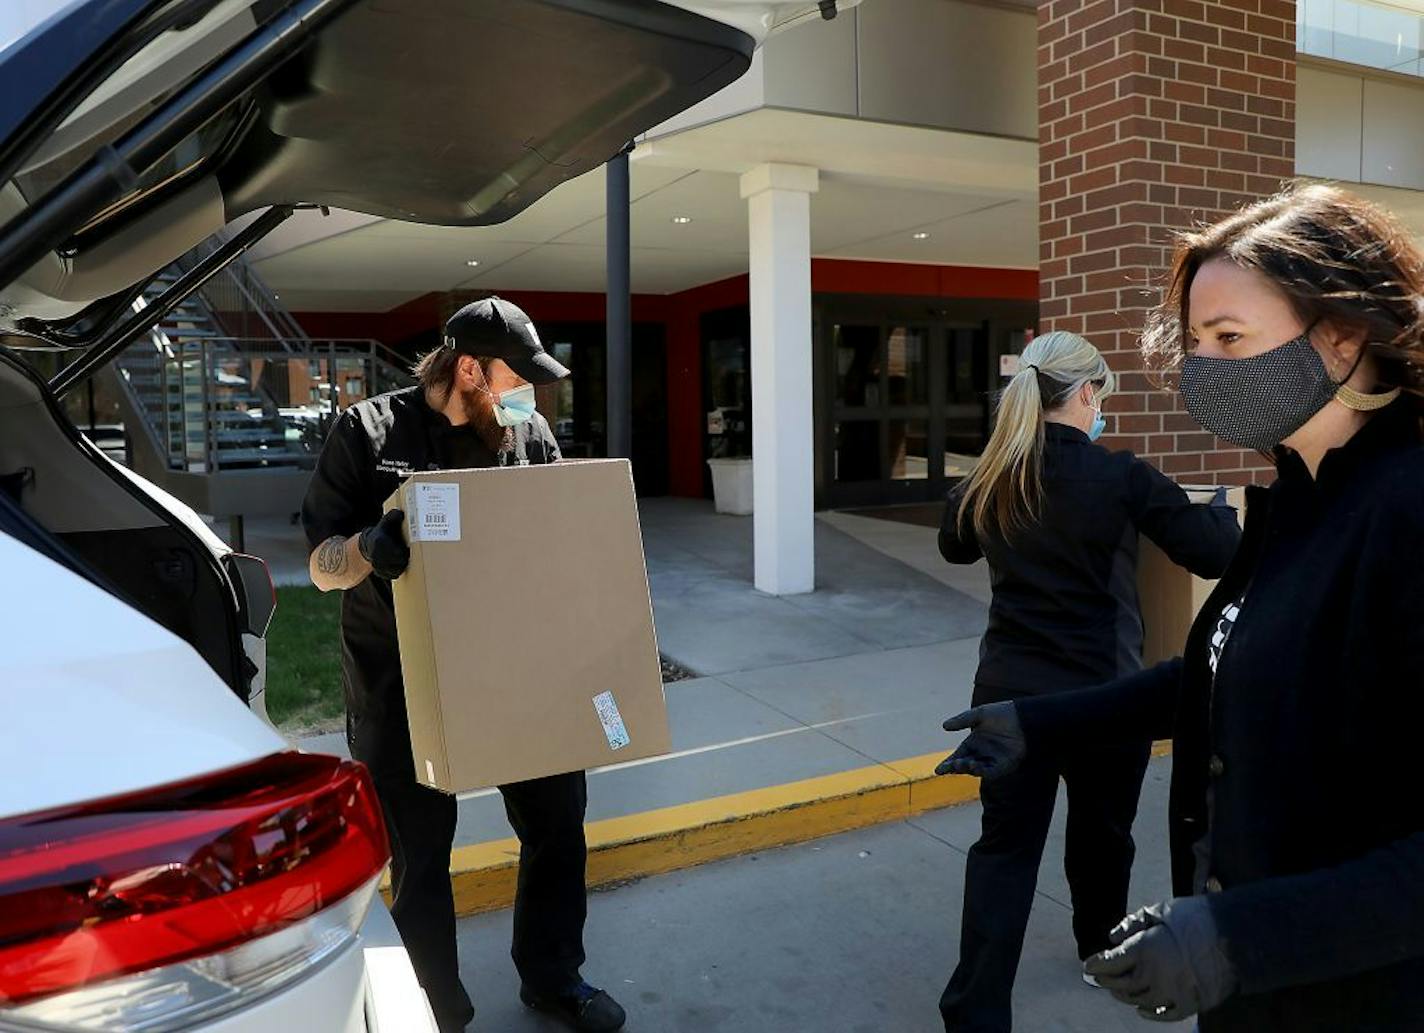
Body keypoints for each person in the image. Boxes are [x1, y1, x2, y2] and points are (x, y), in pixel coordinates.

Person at [939, 184, 1424, 1032]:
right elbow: (1213, 674)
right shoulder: (1297, 499)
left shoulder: (1407, 510)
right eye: (1196, 343)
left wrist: (1234, 936)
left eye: (1229, 338)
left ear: (1344, 335)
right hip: (1261, 998)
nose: (1203, 370)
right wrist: (1039, 722)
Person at [301, 297, 626, 1033]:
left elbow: (556, 543)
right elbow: (321, 565)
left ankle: (552, 975)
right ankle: (436, 1008)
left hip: (516, 671)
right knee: (420, 856)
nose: (529, 398)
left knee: (557, 823)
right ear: (470, 368)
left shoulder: (527, 432)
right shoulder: (369, 430)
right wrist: (365, 552)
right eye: (517, 379)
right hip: (401, 684)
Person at [935, 331, 1241, 1032]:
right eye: (1100, 395)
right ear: (1085, 393)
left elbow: (953, 545)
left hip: (1008, 700)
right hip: (1104, 701)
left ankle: (975, 1013)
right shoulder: (1119, 476)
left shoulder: (995, 476)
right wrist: (1222, 510)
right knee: (1103, 836)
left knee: (1003, 851)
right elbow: (1214, 550)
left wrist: (984, 475)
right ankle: (1098, 946)